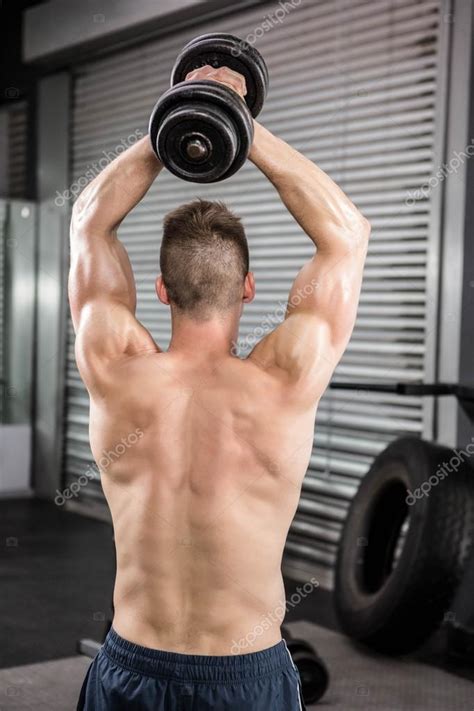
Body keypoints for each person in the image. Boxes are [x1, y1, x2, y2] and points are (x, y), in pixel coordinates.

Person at [71, 64, 370, 711]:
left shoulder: (115, 365)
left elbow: (88, 222)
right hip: (247, 675)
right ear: (249, 287)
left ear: (159, 291)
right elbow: (347, 236)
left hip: (130, 665)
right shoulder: (283, 378)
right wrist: (240, 123)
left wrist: (174, 119)